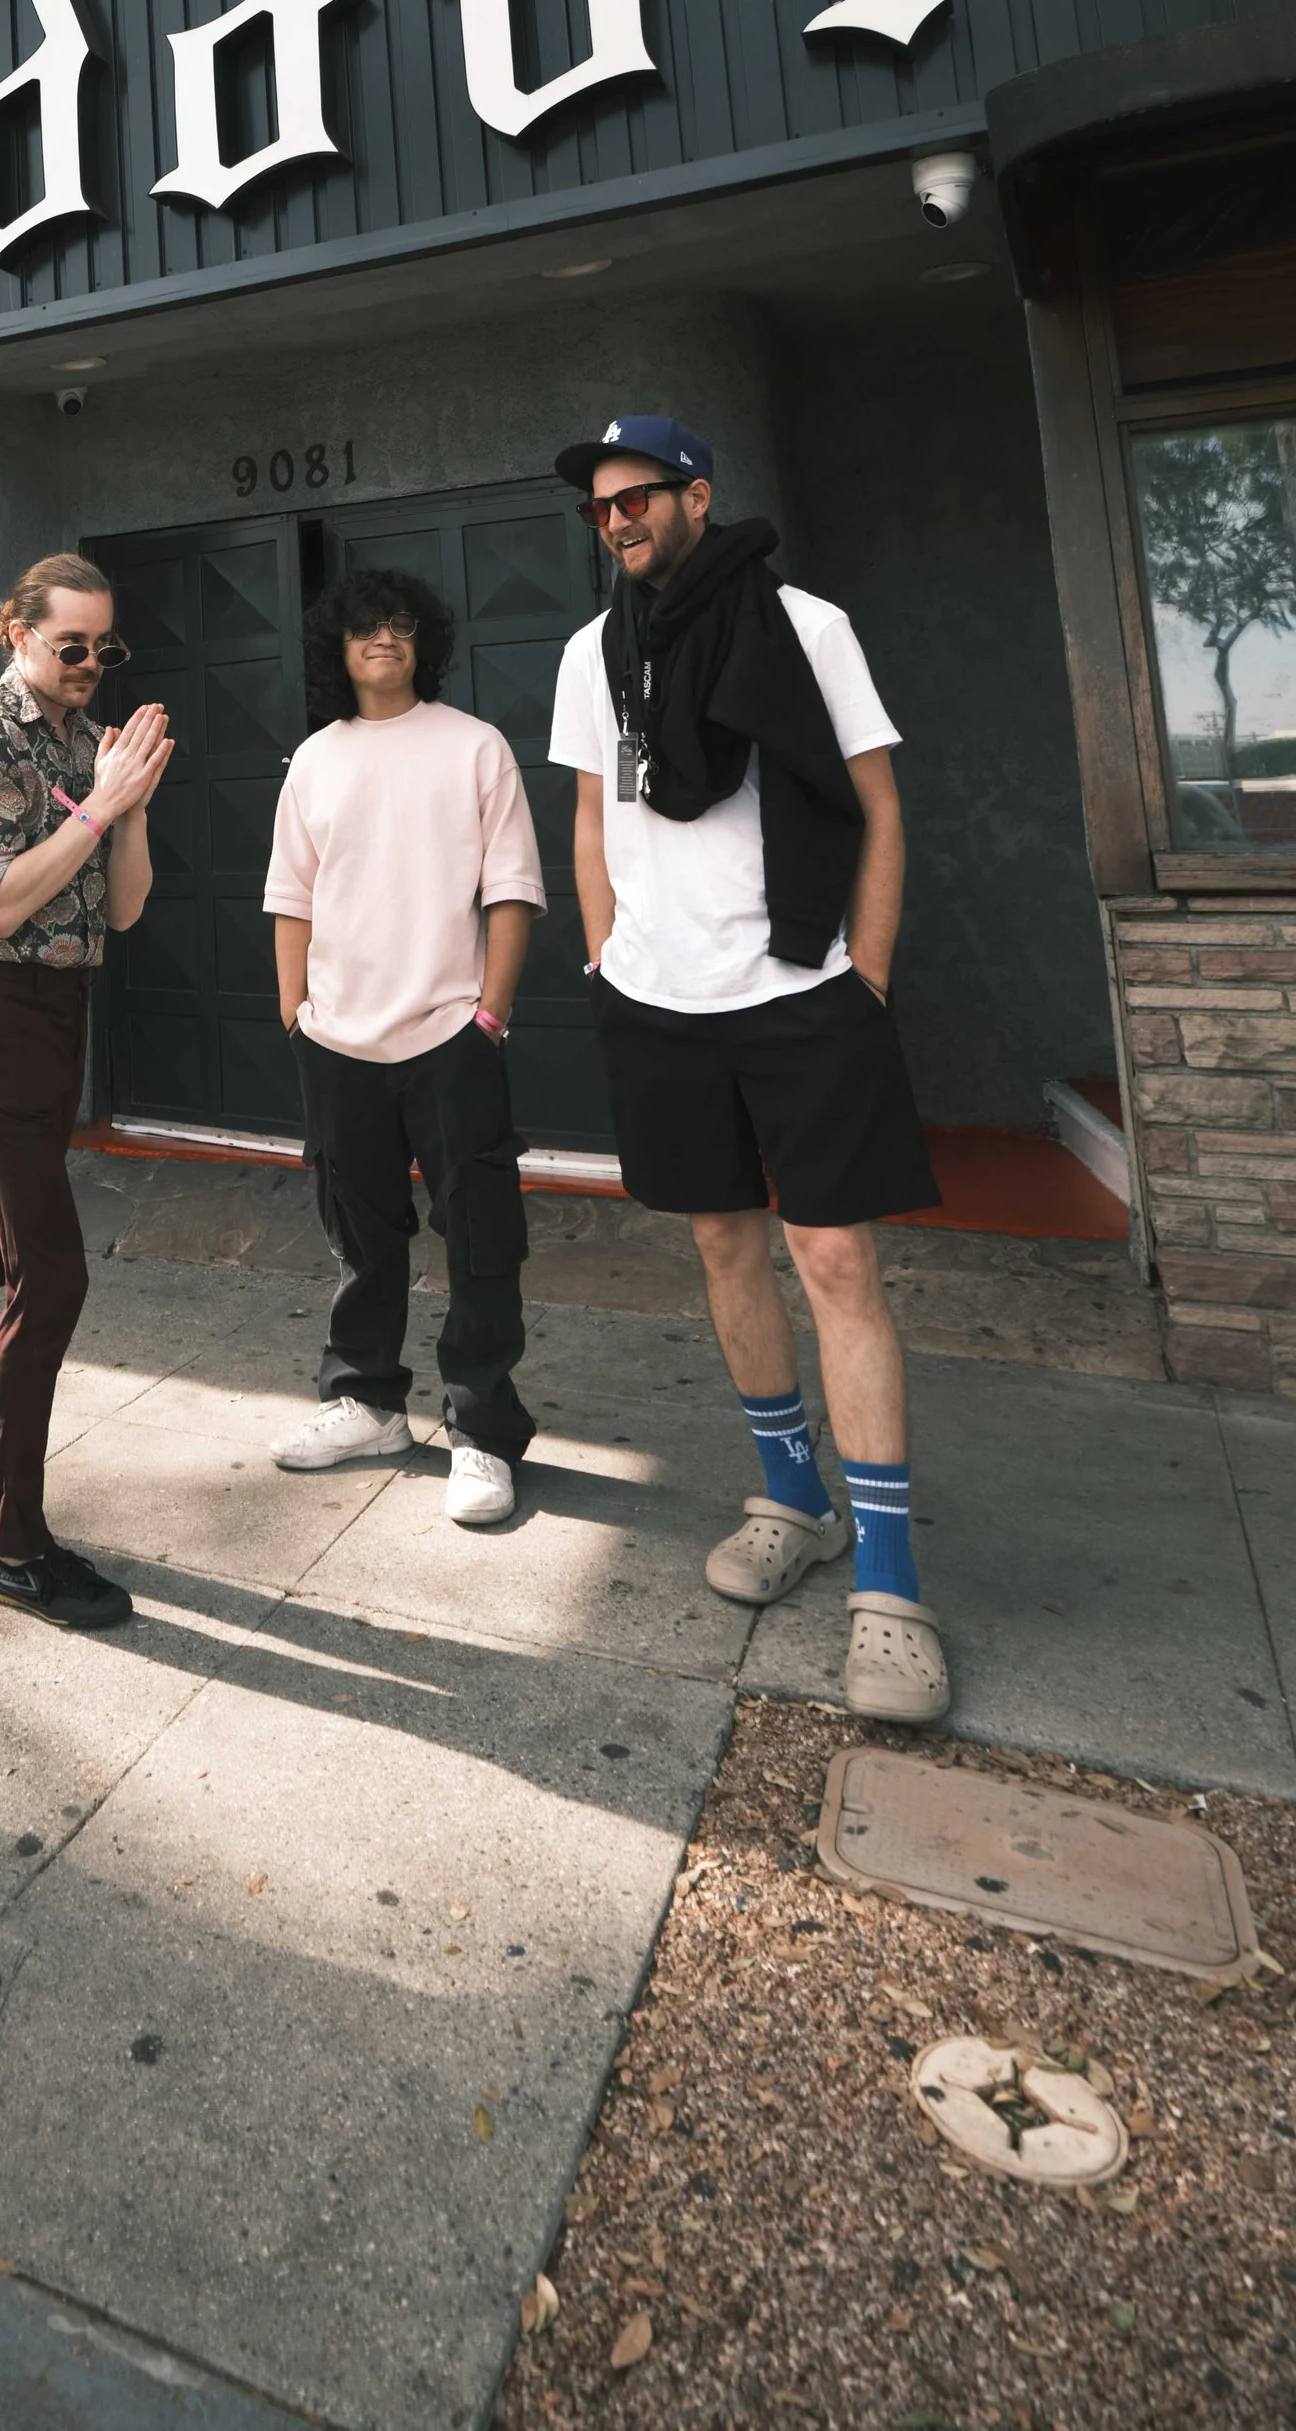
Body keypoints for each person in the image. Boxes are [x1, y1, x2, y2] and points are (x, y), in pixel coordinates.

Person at [546, 414, 949, 1724]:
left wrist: (865, 975)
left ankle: (888, 1588)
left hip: (799, 988)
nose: (618, 519)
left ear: (697, 497)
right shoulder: (591, 651)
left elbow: (877, 803)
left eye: (640, 497)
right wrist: (605, 954)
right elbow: (595, 820)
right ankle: (794, 1501)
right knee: (725, 1247)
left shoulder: (806, 623)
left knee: (836, 1260)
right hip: (658, 1002)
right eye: (601, 506)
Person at [0, 556, 172, 1631]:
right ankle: (15, 1548)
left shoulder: (74, 741)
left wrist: (129, 804)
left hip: (58, 1022)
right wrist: (99, 807)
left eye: (108, 649)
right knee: (48, 1280)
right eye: (71, 646)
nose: (91, 666)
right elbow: (0, 906)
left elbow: (128, 909)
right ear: (15, 631)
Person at [266, 566, 548, 1526]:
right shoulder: (316, 759)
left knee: (480, 1239)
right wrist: (293, 1014)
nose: (381, 640)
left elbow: (511, 889)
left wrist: (491, 1015)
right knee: (361, 1234)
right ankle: (366, 1403)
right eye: (361, 630)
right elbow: (290, 899)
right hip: (338, 1039)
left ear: (424, 642)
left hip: (449, 1034)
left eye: (398, 626)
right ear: (335, 650)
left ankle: (481, 1431)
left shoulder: (475, 748)